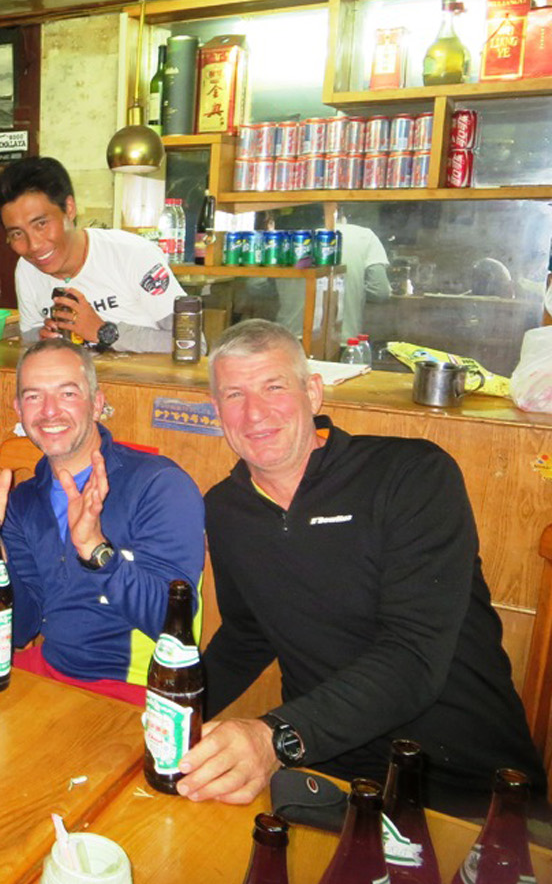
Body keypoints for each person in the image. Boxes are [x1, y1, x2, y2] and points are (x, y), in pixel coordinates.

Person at [177, 318, 545, 816]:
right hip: (332, 774)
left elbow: (413, 655)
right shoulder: (225, 509)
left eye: (274, 387)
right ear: (216, 410)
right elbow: (247, 635)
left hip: (467, 782)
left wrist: (275, 738)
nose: (255, 412)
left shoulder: (410, 475)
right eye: (234, 395)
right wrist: (174, 715)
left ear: (313, 393)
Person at [0, 337, 204, 705]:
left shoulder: (159, 484)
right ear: (18, 409)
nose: (49, 411)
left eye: (67, 394)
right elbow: (20, 628)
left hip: (140, 693)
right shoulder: (23, 501)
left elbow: (173, 623)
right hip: (49, 676)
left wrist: (96, 550)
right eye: (33, 396)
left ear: (97, 403)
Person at [0, 156, 183, 352]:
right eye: (17, 233)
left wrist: (103, 332)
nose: (34, 245)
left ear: (69, 209)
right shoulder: (27, 269)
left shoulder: (134, 254)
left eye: (41, 224)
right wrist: (44, 338)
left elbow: (190, 344)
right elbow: (30, 336)